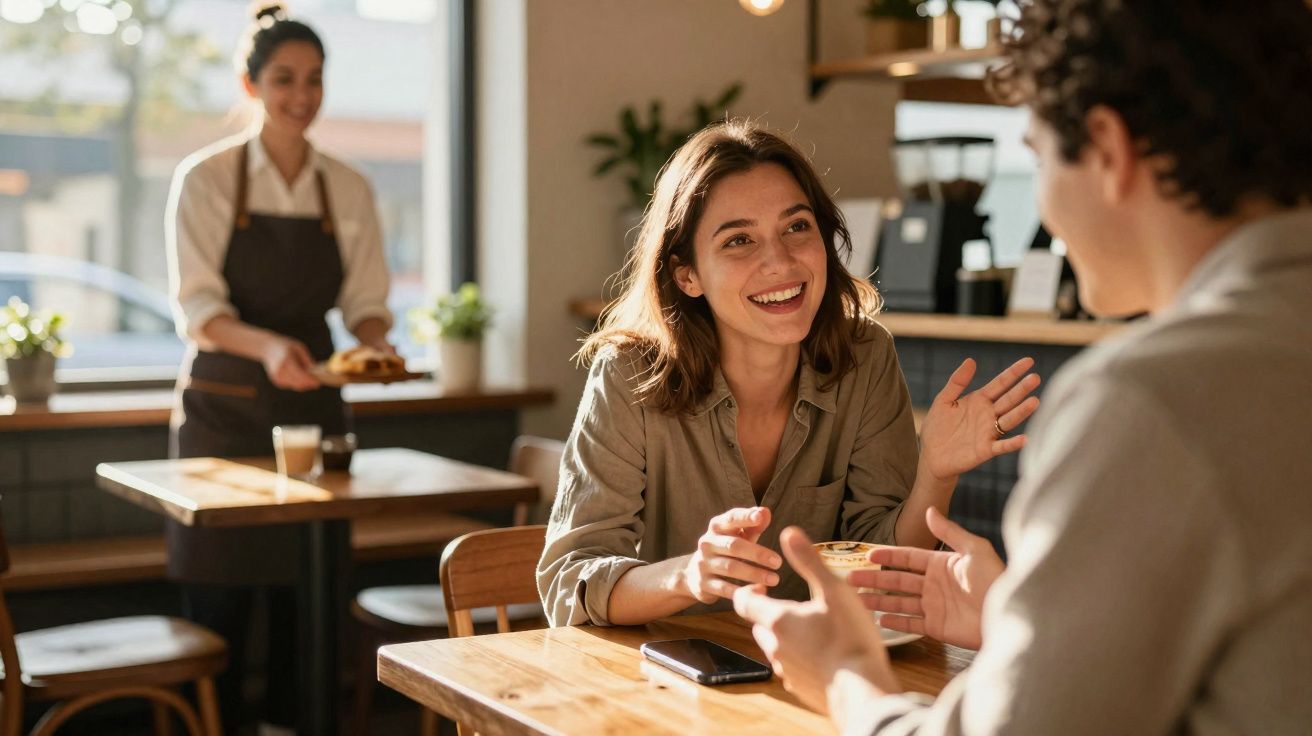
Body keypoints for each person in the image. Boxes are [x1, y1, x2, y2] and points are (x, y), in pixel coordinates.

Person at [734, 1, 1312, 734]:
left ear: (1106, 148)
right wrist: (1026, 621)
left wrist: (848, 680)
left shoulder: (1150, 401)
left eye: (1037, 157)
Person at [538, 120, 1042, 627]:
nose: (779, 261)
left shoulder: (866, 356)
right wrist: (689, 576)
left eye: (797, 227)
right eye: (739, 240)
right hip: (667, 666)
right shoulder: (628, 371)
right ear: (687, 275)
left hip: (820, 658)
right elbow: (569, 579)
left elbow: (884, 568)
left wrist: (936, 474)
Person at [163, 3, 392, 731]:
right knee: (220, 605)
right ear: (251, 84)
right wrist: (268, 348)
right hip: (223, 410)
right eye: (285, 78)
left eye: (315, 79)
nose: (302, 95)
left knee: (309, 599)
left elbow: (367, 302)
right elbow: (199, 309)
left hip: (314, 407)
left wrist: (374, 344)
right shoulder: (205, 178)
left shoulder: (347, 186)